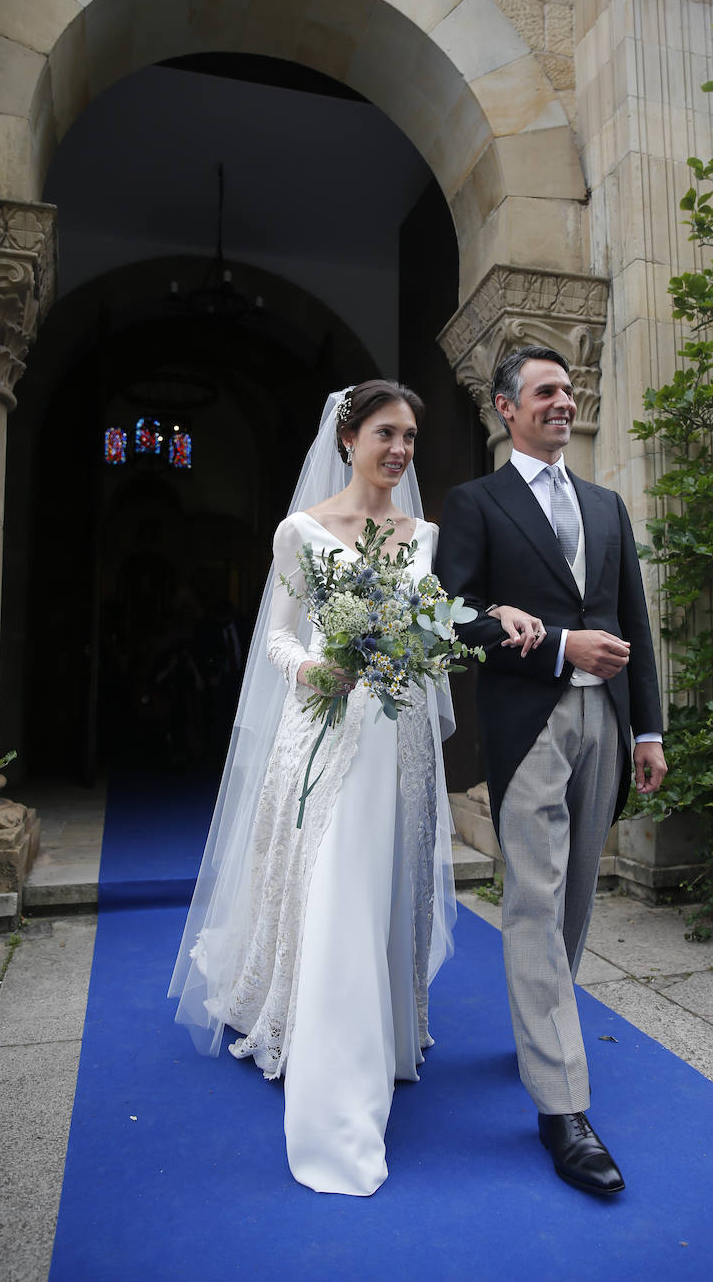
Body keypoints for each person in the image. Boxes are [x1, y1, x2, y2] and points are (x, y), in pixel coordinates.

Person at [169, 381, 459, 1197]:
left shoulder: (422, 535)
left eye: (408, 436)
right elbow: (278, 636)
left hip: (398, 745)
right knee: (333, 890)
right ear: (348, 438)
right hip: (326, 732)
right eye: (385, 434)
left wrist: (424, 652)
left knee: (382, 886)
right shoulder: (302, 531)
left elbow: (431, 635)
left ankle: (386, 1029)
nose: (399, 450)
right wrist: (314, 670)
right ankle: (337, 1084)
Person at [436, 346, 667, 1196]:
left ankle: (542, 1028)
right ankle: (562, 1105)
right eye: (546, 392)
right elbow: (449, 616)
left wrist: (650, 728)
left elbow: (632, 618)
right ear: (507, 408)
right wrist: (555, 644)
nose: (564, 402)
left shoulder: (606, 507)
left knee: (574, 898)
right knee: (532, 897)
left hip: (605, 724)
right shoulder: (476, 503)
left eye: (569, 391)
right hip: (526, 721)